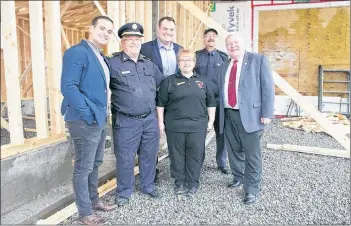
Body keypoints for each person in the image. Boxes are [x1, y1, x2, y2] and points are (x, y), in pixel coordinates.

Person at [61, 16, 116, 225]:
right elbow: (68, 86)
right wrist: (87, 113)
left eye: (109, 31)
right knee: (84, 167)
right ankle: (85, 212)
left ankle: (94, 201)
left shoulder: (99, 55)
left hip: (99, 118)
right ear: (90, 28)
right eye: (102, 28)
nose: (105, 33)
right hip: (85, 119)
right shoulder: (77, 52)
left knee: (95, 163)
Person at [108, 22, 165, 206]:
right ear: (122, 42)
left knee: (149, 155)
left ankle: (148, 186)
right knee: (125, 158)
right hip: (126, 122)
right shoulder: (112, 64)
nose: (134, 42)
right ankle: (124, 191)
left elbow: (163, 86)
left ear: (141, 41)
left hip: (149, 120)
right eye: (129, 39)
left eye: (137, 39)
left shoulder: (149, 65)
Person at [217, 34, 275, 204]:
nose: (233, 46)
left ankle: (252, 188)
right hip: (228, 114)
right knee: (234, 150)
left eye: (236, 43)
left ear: (245, 44)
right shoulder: (224, 65)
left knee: (252, 154)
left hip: (251, 115)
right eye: (229, 44)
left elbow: (268, 87)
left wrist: (267, 113)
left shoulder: (258, 60)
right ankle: (238, 177)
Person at [157, 49, 216, 197]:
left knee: (195, 155)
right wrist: (161, 123)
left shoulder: (203, 82)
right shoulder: (168, 82)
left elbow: (211, 103)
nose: (186, 63)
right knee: (176, 156)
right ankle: (179, 183)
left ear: (194, 63)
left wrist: (211, 121)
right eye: (183, 60)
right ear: (178, 63)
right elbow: (160, 104)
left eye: (189, 60)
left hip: (197, 126)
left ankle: (193, 182)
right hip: (175, 126)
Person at [140, 16, 183, 183]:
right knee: (153, 137)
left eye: (171, 29)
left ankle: (178, 170)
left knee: (175, 134)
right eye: (165, 29)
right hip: (152, 99)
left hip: (175, 100)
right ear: (158, 30)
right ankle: (153, 172)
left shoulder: (179, 49)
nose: (168, 32)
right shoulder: (145, 49)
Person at [195, 28, 229, 174]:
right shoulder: (196, 57)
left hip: (219, 102)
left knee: (221, 133)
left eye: (213, 36)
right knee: (199, 133)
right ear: (203, 38)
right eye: (208, 36)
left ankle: (221, 163)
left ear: (216, 39)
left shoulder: (223, 57)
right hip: (200, 103)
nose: (210, 38)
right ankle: (198, 163)